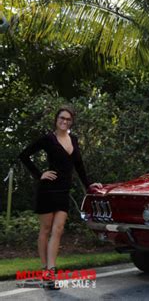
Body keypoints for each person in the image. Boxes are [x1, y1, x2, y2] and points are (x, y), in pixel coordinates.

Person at [18, 106, 102, 289]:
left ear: (71, 122)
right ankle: (45, 271)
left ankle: (51, 272)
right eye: (61, 118)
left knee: (59, 229)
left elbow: (79, 166)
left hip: (63, 190)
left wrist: (88, 185)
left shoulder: (74, 140)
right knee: (46, 229)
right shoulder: (48, 139)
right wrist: (39, 174)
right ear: (56, 120)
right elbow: (24, 155)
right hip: (47, 190)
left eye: (68, 119)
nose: (64, 121)